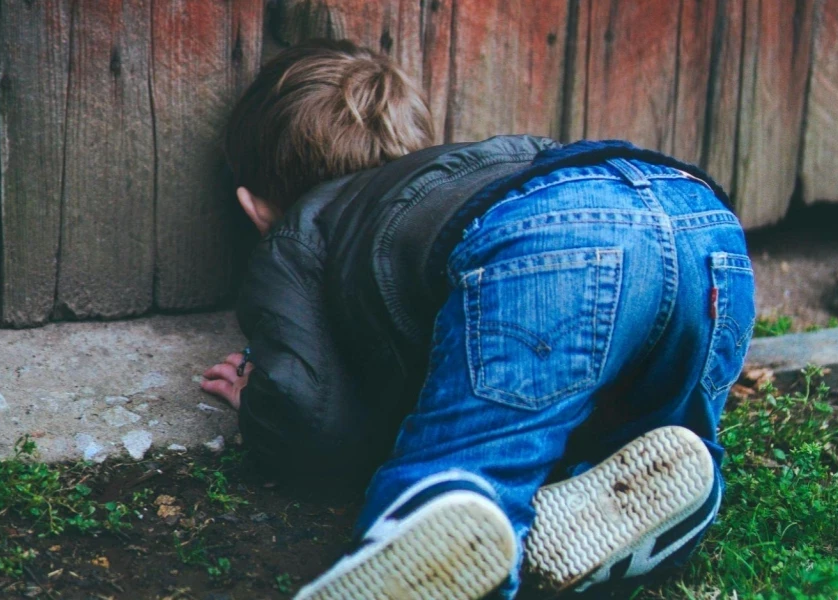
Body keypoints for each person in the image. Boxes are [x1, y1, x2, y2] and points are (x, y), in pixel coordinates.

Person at [201, 39, 755, 599]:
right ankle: (662, 472)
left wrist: (263, 407)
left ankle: (460, 500)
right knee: (594, 405)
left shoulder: (302, 229)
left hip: (549, 240)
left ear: (255, 208)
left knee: (465, 475)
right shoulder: (473, 166)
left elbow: (311, 415)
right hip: (698, 219)